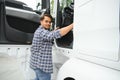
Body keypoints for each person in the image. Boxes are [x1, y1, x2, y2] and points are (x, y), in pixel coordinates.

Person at [30, 14, 73, 80]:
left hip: (36, 64)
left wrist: (53, 31)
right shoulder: (41, 32)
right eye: (46, 21)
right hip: (42, 67)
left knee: (37, 78)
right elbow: (56, 34)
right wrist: (72, 25)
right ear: (41, 21)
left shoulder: (39, 30)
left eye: (50, 22)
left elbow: (48, 35)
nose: (49, 23)